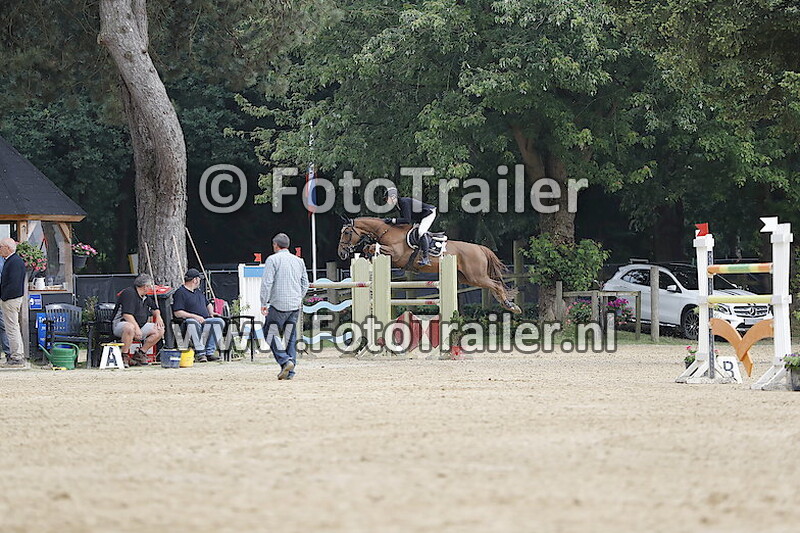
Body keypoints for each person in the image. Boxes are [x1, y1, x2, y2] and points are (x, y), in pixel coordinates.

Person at [260, 233, 308, 380]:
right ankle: (290, 370)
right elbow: (305, 283)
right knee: (290, 337)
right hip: (295, 305)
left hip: (278, 304)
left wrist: (263, 302)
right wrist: (299, 297)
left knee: (269, 332)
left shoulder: (272, 260)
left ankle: (284, 360)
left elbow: (267, 283)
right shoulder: (299, 261)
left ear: (275, 245)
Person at [172, 268, 226, 363]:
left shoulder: (198, 292)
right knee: (192, 322)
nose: (199, 281)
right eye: (199, 279)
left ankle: (209, 352)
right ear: (195, 280)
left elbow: (208, 303)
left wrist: (211, 313)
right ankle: (201, 353)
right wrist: (195, 316)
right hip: (188, 322)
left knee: (219, 322)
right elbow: (178, 312)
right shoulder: (180, 293)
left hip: (204, 320)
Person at [112, 273, 165, 366]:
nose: (151, 288)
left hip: (140, 326)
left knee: (159, 329)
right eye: (150, 286)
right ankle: (124, 355)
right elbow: (127, 315)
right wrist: (136, 328)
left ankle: (140, 353)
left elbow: (155, 308)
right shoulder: (129, 293)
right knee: (130, 327)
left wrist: (158, 317)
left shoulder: (145, 297)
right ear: (145, 287)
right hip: (121, 325)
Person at [383, 186, 437, 266]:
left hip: (428, 213)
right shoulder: (399, 205)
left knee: (421, 231)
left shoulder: (404, 202)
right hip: (420, 217)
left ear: (393, 197)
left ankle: (426, 258)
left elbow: (407, 220)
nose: (386, 200)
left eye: (387, 198)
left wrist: (393, 220)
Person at [0, 238, 27, 368]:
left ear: (8, 248)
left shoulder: (14, 262)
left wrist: (4, 297)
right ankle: (18, 355)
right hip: (11, 298)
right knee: (13, 327)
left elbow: (14, 284)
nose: (0, 249)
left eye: (1, 246)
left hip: (10, 299)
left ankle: (16, 357)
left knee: (11, 328)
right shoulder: (13, 261)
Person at [0, 253, 12, 360]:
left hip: (1, 295)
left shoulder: (3, 260)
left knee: (3, 325)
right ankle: (8, 352)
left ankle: (9, 352)